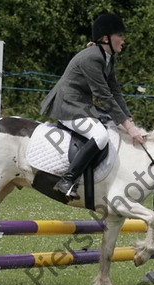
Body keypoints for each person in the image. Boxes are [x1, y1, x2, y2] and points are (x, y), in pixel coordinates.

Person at [40, 12, 144, 199]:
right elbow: (103, 95)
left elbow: (116, 91)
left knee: (113, 127)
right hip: (68, 105)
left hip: (82, 105)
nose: (123, 39)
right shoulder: (92, 58)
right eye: (119, 35)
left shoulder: (109, 57)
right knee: (100, 135)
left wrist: (128, 121)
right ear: (106, 38)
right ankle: (67, 180)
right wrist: (129, 128)